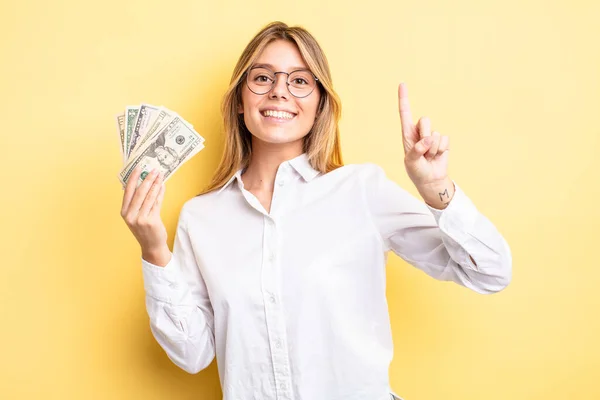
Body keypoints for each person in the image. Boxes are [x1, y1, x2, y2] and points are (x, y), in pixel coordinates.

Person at [120, 21, 512, 400]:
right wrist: (154, 250)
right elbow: (192, 355)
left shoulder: (361, 191)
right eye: (262, 78)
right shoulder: (201, 217)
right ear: (241, 101)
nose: (279, 91)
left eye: (300, 81)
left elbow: (490, 272)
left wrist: (434, 188)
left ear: (320, 104)